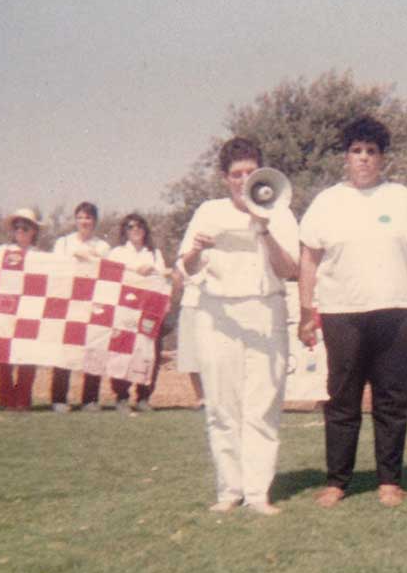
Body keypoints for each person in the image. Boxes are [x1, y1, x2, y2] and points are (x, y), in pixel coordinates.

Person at [297, 115, 407, 509]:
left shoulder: (401, 198)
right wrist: (307, 310)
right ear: (346, 157)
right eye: (356, 151)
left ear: (381, 158)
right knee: (342, 399)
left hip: (397, 311)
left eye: (371, 152)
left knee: (392, 399)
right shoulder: (327, 202)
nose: (363, 159)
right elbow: (308, 258)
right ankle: (337, 480)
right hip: (343, 313)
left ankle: (389, 480)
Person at [178, 137, 299, 516]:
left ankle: (258, 492)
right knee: (221, 405)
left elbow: (289, 269)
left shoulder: (279, 211)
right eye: (236, 175)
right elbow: (184, 269)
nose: (243, 180)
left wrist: (263, 229)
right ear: (224, 178)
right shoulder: (207, 212)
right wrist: (196, 251)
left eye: (250, 173)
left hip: (265, 310)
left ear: (261, 174)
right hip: (217, 315)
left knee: (261, 405)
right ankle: (229, 490)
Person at [49, 202, 111, 413]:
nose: (84, 221)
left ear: (95, 221)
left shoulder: (102, 246)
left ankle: (90, 400)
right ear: (75, 220)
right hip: (67, 302)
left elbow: (108, 271)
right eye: (81, 217)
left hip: (92, 302)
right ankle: (59, 399)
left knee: (93, 349)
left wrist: (89, 257)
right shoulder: (63, 243)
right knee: (64, 350)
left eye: (89, 218)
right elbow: (55, 268)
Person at [107, 214, 167, 414]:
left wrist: (152, 270)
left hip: (148, 312)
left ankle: (144, 396)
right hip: (125, 311)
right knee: (121, 353)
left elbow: (162, 280)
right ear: (125, 230)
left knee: (149, 352)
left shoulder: (154, 253)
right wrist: (134, 270)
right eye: (131, 226)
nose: (135, 229)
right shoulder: (117, 252)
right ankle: (121, 396)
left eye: (139, 226)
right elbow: (110, 278)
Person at [0, 208, 42, 411]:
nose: (21, 231)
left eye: (26, 227)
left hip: (30, 309)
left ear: (34, 231)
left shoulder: (41, 256)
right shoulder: (1, 251)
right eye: (18, 227)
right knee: (3, 354)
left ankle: (23, 398)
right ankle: (6, 399)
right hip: (5, 308)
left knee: (29, 353)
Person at [172, 267, 205, 410]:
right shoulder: (188, 245)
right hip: (192, 302)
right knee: (192, 353)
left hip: (220, 304)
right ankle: (201, 398)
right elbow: (178, 277)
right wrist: (173, 301)